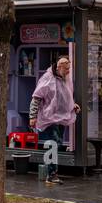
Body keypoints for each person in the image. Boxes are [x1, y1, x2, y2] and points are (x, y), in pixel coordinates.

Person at [28, 55, 77, 185]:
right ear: (59, 66)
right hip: (49, 118)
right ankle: (51, 175)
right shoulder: (47, 79)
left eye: (69, 69)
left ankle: (51, 172)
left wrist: (73, 105)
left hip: (61, 117)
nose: (68, 71)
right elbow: (36, 98)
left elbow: (65, 96)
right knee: (53, 144)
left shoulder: (65, 79)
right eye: (66, 69)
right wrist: (32, 116)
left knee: (58, 144)